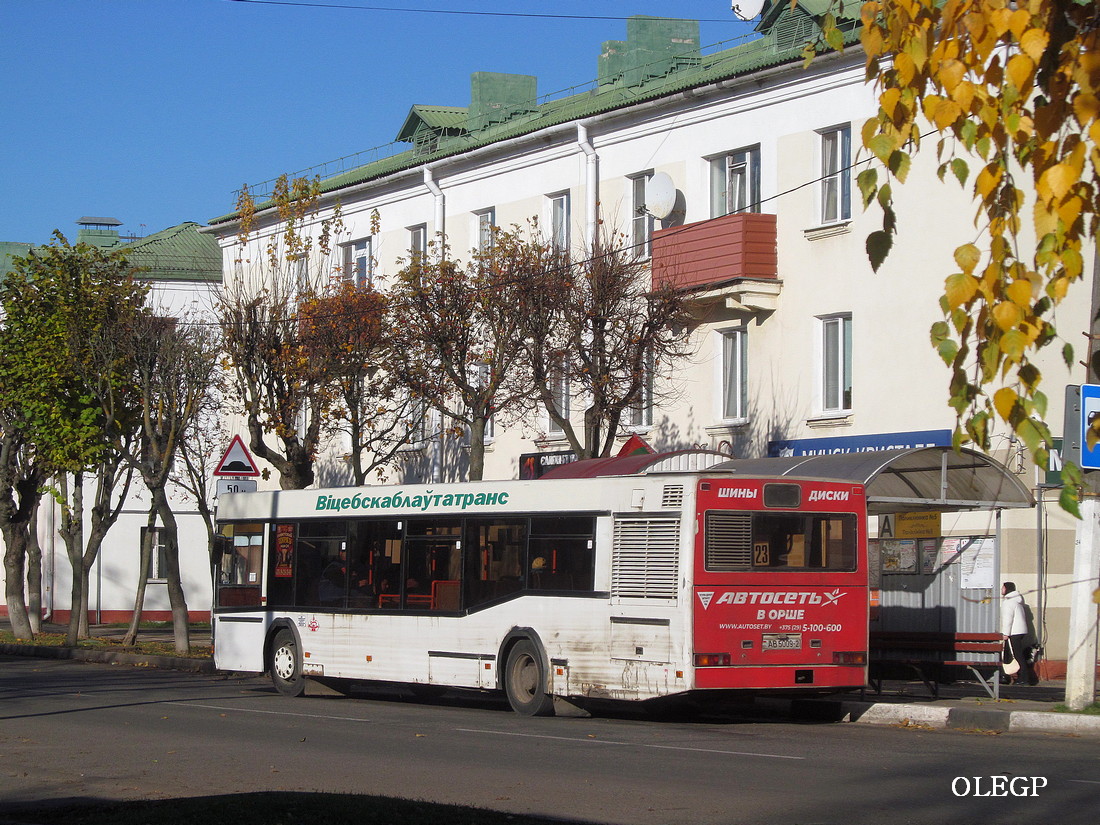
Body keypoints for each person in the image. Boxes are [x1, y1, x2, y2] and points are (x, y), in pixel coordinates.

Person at [1000, 581, 1029, 685]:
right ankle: (1010, 676)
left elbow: (1008, 619)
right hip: (1020, 631)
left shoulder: (1008, 602)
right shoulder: (1017, 601)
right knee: (1016, 654)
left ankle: (1024, 678)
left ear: (1007, 589)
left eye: (1003, 588)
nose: (1001, 590)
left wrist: (1005, 633)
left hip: (1014, 632)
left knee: (1017, 655)